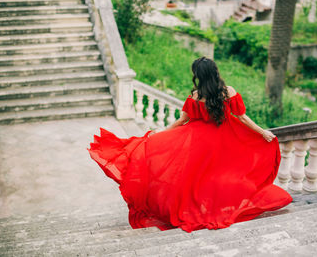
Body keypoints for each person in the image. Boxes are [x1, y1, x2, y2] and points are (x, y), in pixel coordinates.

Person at [88, 57, 292, 233]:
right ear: (215, 72)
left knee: (194, 180)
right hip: (225, 140)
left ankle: (198, 208)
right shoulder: (228, 91)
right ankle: (220, 206)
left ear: (198, 76)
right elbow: (243, 118)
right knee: (224, 174)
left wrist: (161, 134)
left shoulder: (195, 95)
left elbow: (181, 121)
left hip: (197, 141)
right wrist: (263, 132)